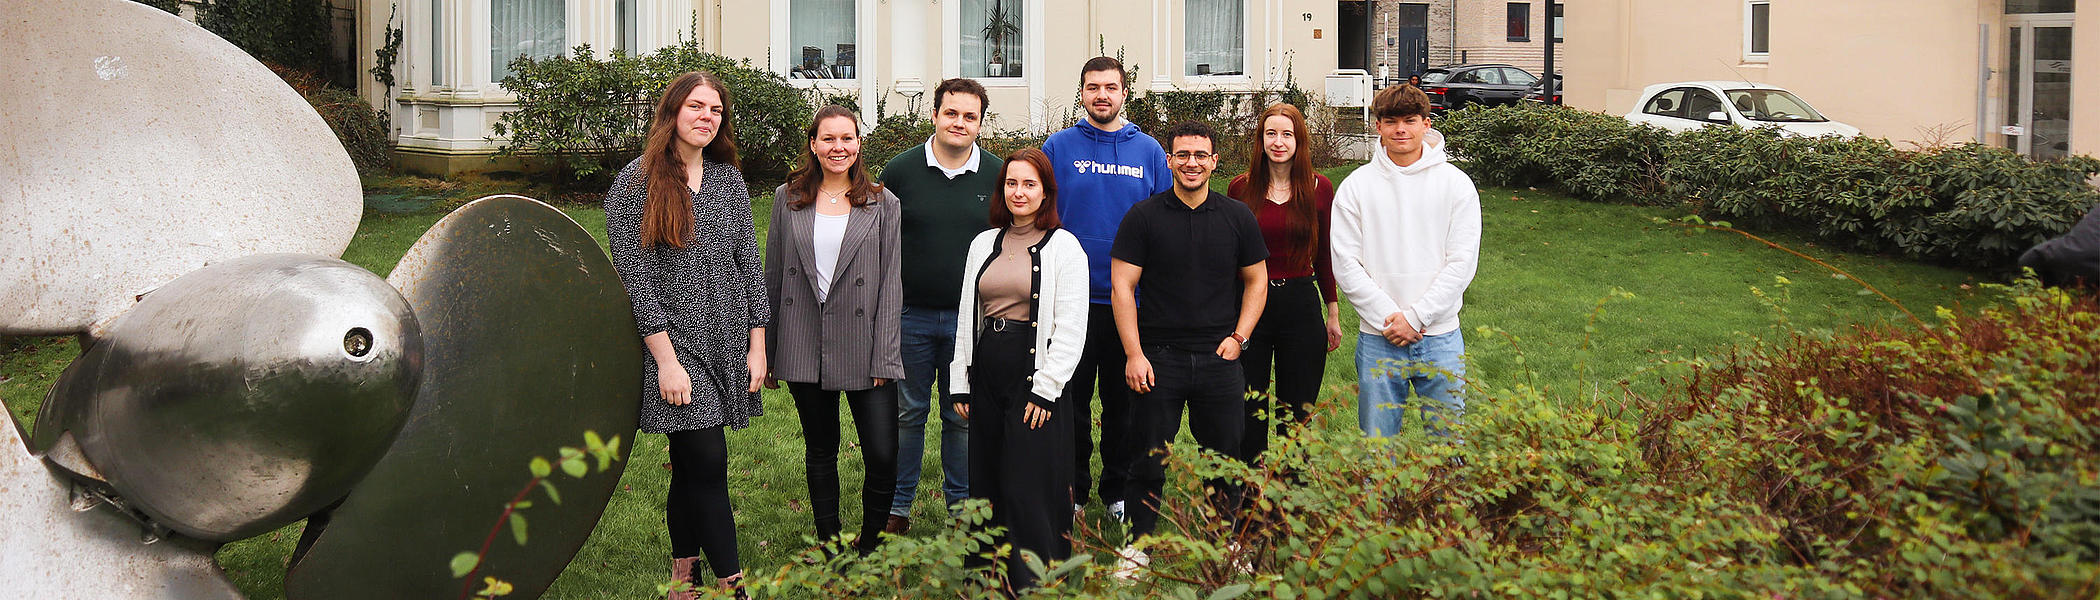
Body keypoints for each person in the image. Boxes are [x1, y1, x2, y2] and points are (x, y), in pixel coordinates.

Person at [604, 71, 765, 600]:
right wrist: (667, 362)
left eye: (716, 110)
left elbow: (749, 265)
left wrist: (757, 345)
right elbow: (636, 280)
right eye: (696, 106)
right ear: (672, 113)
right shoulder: (634, 184)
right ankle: (732, 584)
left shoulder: (727, 180)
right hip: (674, 348)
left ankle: (683, 579)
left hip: (727, 342)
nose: (706, 117)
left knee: (691, 467)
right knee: (709, 462)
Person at [1107, 121, 1269, 577]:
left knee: (1224, 457)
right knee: (1148, 457)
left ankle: (1229, 546)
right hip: (1159, 358)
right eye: (1183, 155)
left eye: (1201, 155)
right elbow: (1122, 286)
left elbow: (1257, 280)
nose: (1192, 163)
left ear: (1215, 162)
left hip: (1221, 357)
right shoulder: (1144, 217)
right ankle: (1139, 546)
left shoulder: (1237, 217)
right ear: (1169, 161)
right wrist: (1135, 354)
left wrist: (1239, 337)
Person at [946, 147, 1089, 593]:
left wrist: (1046, 389)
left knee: (1029, 481)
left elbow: (1070, 327)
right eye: (1011, 183)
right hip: (988, 373)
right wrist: (960, 380)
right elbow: (968, 316)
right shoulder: (982, 244)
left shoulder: (1065, 248)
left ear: (1046, 191)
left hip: (1036, 376)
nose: (1019, 192)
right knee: (987, 476)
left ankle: (1032, 579)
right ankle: (987, 576)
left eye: (1030, 184)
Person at [765, 105, 905, 555]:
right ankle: (829, 541)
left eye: (847, 138)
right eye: (828, 139)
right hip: (804, 339)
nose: (838, 148)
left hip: (866, 346)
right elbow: (770, 276)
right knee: (820, 450)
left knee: (882, 455)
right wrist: (766, 348)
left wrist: (885, 355)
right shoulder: (787, 199)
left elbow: (890, 283)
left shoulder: (883, 202)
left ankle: (872, 542)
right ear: (813, 144)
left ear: (859, 144)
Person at [1039, 56, 1172, 522]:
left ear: (1124, 94)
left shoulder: (1150, 152)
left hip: (1130, 305)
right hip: (1069, 301)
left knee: (1124, 407)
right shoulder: (1058, 148)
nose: (1102, 95)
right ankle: (1072, 492)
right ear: (1081, 93)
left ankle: (1117, 489)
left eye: (1111, 87)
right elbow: (1040, 213)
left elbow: (1166, 218)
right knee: (1069, 404)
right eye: (1092, 87)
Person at [878, 78, 1003, 533]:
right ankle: (897, 507)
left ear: (981, 124)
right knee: (907, 414)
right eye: (951, 113)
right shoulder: (900, 172)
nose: (959, 123)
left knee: (962, 415)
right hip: (909, 316)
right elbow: (878, 243)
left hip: (973, 320)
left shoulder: (997, 176)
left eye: (970, 116)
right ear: (934, 115)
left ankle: (962, 510)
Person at [1330, 84, 1482, 440]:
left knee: (1449, 448)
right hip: (1379, 338)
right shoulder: (1356, 187)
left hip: (1441, 337)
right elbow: (1346, 263)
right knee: (1378, 448)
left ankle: (1445, 500)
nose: (1401, 130)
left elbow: (1461, 262)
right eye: (1391, 121)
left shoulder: (1456, 185)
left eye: (1410, 120)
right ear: (1377, 126)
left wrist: (1416, 317)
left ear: (1427, 124)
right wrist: (1391, 319)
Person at [1225, 103, 1342, 463]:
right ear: (1260, 140)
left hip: (1300, 305)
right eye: (1270, 133)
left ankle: (1291, 493)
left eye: (1287, 134)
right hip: (1251, 307)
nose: (1278, 142)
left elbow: (1324, 254)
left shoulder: (1319, 188)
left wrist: (1333, 312)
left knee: (1297, 410)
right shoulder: (1240, 189)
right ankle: (1249, 492)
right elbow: (1231, 258)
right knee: (1249, 404)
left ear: (1299, 141)